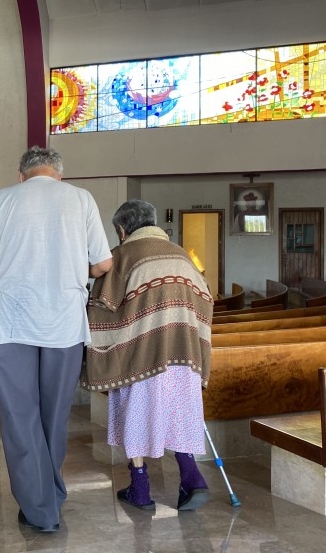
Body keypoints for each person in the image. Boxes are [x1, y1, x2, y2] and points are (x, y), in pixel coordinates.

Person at [0, 146, 113, 533]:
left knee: (19, 416)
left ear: (21, 174)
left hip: (13, 324)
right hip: (64, 325)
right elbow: (103, 264)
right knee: (54, 415)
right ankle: (50, 496)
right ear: (59, 175)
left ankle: (41, 508)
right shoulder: (82, 199)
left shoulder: (5, 199)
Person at [81, 199, 213, 512]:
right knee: (180, 411)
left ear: (122, 230)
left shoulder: (121, 256)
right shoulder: (182, 255)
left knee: (135, 415)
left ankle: (140, 489)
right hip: (183, 351)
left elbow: (101, 306)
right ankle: (192, 477)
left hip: (139, 354)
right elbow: (205, 298)